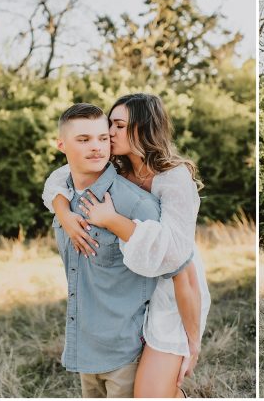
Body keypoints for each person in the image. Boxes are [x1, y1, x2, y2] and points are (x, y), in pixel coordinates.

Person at [45, 94, 211, 397]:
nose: (109, 133)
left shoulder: (173, 180)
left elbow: (178, 262)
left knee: (150, 394)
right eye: (111, 124)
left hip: (173, 293)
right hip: (134, 284)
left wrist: (194, 340)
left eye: (118, 125)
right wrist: (64, 212)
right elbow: (61, 177)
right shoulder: (118, 167)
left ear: (143, 129)